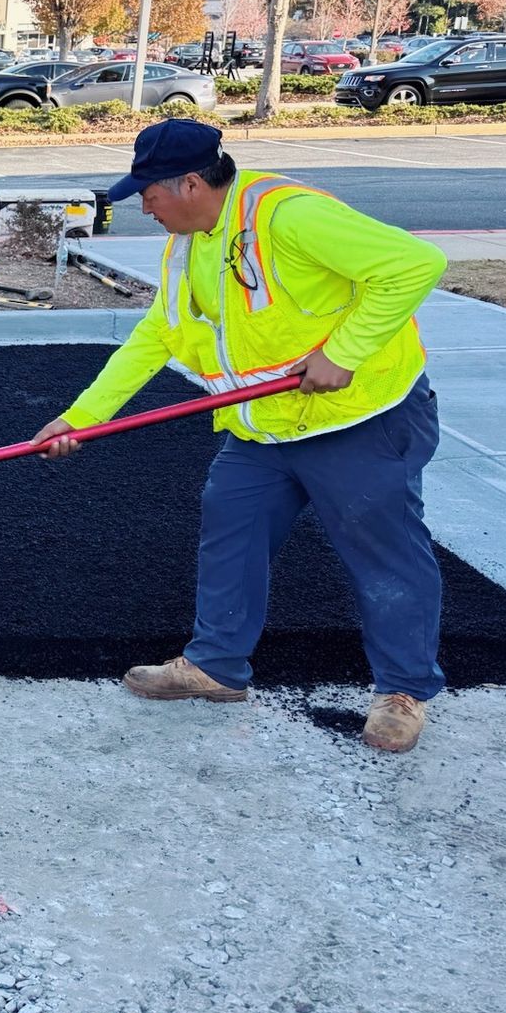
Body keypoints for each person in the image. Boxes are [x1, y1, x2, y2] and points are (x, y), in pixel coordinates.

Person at [33, 119, 448, 753]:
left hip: (361, 418)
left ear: (192, 183)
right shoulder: (189, 242)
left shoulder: (290, 217)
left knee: (383, 553)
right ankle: (215, 665)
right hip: (262, 427)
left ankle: (404, 691)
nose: (143, 206)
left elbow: (416, 263)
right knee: (231, 526)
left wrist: (346, 350)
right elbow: (158, 335)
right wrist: (83, 418)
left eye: (149, 192)